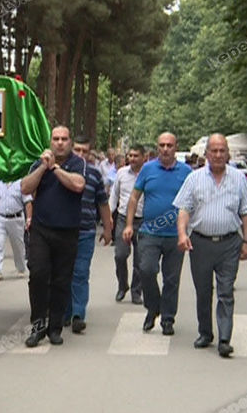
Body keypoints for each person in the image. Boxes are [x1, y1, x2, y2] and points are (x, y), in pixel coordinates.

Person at [173, 134, 247, 358]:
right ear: (207, 154)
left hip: (229, 244)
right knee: (203, 291)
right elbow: (184, 209)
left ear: (228, 153)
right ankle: (205, 332)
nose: (218, 155)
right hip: (200, 243)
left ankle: (225, 338)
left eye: (222, 151)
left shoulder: (238, 179)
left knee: (226, 291)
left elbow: (246, 212)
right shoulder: (194, 179)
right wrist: (182, 234)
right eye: (214, 151)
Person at [21, 125, 86, 347]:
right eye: (56, 139)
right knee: (38, 274)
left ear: (70, 142)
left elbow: (78, 185)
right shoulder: (39, 163)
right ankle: (38, 326)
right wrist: (43, 167)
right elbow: (25, 188)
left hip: (68, 231)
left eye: (64, 139)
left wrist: (55, 168)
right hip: (41, 229)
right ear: (50, 141)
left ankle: (55, 327)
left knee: (61, 280)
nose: (59, 143)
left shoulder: (78, 163)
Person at [123, 132, 191, 335]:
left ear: (176, 147)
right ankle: (153, 307)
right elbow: (134, 197)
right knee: (146, 269)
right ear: (157, 147)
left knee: (171, 279)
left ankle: (168, 319)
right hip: (149, 232)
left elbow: (194, 200)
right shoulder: (148, 169)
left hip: (175, 235)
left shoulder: (186, 172)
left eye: (169, 145)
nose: (165, 149)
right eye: (162, 145)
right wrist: (128, 225)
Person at [64, 136, 111, 333]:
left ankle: (78, 314)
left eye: (85, 151)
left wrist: (108, 229)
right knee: (63, 273)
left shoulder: (94, 174)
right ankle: (65, 312)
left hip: (85, 231)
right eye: (77, 150)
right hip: (62, 231)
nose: (81, 154)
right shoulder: (62, 171)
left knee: (80, 273)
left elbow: (102, 202)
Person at [110, 145, 145, 304]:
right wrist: (109, 215)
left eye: (136, 155)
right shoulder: (121, 173)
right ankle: (122, 285)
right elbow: (114, 194)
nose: (132, 159)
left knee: (140, 260)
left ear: (143, 157)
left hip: (143, 220)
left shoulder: (148, 173)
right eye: (130, 155)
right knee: (120, 255)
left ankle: (136, 291)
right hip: (123, 219)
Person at [0, 178, 33, 281]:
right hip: (0, 218)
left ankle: (21, 268)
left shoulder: (20, 183)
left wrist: (29, 218)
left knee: (18, 246)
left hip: (16, 218)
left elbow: (28, 202)